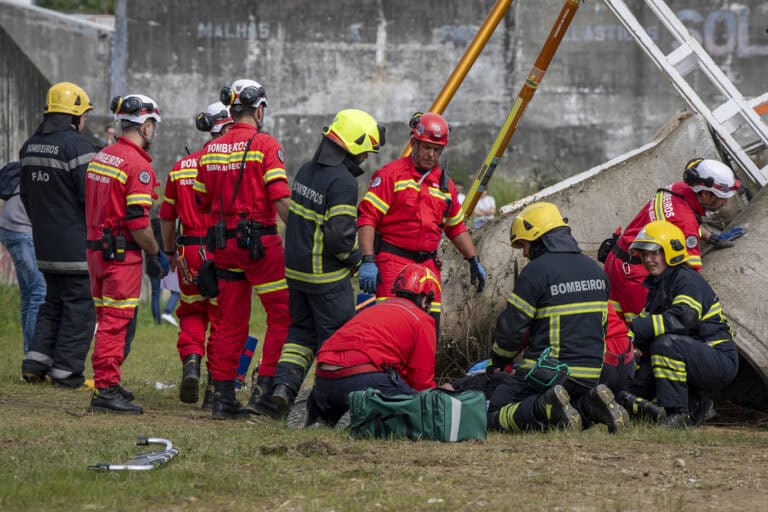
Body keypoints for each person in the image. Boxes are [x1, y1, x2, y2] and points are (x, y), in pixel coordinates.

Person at [268, 109, 385, 418]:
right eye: (364, 153)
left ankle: (283, 389)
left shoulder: (306, 170)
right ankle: (331, 405)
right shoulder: (343, 182)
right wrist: (360, 262)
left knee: (300, 334)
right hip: (326, 278)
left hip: (295, 272)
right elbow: (339, 237)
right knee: (337, 341)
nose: (364, 160)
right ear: (354, 146)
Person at [194, 78, 291, 420]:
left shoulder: (210, 150)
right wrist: (301, 233)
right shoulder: (266, 145)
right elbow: (280, 198)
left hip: (224, 246)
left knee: (231, 321)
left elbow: (202, 201)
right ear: (259, 109)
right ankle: (264, 394)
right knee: (282, 317)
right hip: (261, 246)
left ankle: (222, 398)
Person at [487, 201, 627, 434]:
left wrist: (498, 362)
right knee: (565, 405)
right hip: (591, 375)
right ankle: (592, 405)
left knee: (498, 407)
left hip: (549, 372)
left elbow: (511, 331)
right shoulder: (596, 271)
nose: (523, 252)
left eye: (524, 244)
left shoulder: (536, 272)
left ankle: (544, 407)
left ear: (538, 237)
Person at [357, 111, 486, 334]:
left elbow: (456, 227)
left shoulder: (446, 187)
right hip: (392, 264)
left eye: (437, 150)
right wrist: (368, 260)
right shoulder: (391, 175)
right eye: (427, 147)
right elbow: (367, 218)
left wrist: (473, 260)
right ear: (414, 143)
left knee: (427, 334)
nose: (431, 155)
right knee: (391, 331)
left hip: (428, 269)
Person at [86, 93, 169, 414]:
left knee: (107, 318)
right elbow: (138, 223)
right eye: (154, 127)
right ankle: (105, 389)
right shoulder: (137, 167)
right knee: (116, 322)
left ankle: (111, 382)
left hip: (96, 251)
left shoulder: (103, 156)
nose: (154, 133)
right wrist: (156, 252)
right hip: (121, 255)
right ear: (146, 125)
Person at [19, 82, 97, 388]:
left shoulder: (29, 145)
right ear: (75, 116)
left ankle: (35, 361)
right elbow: (91, 198)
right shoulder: (79, 148)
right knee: (80, 306)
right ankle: (66, 371)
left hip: (44, 244)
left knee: (52, 302)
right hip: (76, 244)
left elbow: (25, 195)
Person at [625, 220, 739, 428]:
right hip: (692, 353)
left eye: (654, 253)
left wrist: (635, 329)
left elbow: (682, 320)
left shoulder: (687, 280)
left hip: (718, 356)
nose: (648, 260)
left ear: (671, 251)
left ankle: (677, 413)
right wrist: (631, 347)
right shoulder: (659, 285)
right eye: (644, 255)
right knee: (632, 385)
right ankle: (696, 405)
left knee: (666, 345)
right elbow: (646, 325)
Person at [604, 158, 742, 323]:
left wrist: (709, 236)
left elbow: (675, 220)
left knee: (612, 323)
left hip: (616, 261)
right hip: (636, 276)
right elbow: (687, 275)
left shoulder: (677, 189)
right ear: (705, 194)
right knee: (645, 327)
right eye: (722, 197)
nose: (725, 202)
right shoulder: (685, 225)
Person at [160, 101, 233, 406]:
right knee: (222, 317)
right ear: (226, 127)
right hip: (221, 250)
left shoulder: (180, 168)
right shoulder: (230, 164)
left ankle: (191, 364)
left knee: (191, 311)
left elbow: (166, 216)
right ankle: (216, 386)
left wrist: (169, 251)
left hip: (188, 250)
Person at [307, 263, 442, 427]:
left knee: (340, 399)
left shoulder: (375, 309)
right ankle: (364, 412)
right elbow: (421, 382)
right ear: (425, 300)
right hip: (361, 379)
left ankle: (317, 410)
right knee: (413, 406)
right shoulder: (421, 320)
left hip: (323, 379)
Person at [0, 164, 46, 354]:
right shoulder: (51, 173)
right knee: (39, 291)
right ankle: (34, 355)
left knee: (29, 293)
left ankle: (30, 353)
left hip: (11, 228)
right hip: (21, 230)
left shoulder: (38, 170)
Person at [147, 212, 179, 326]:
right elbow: (174, 243)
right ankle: (168, 311)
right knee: (176, 291)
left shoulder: (149, 226)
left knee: (155, 293)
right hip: (167, 262)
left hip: (152, 264)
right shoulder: (168, 227)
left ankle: (157, 321)